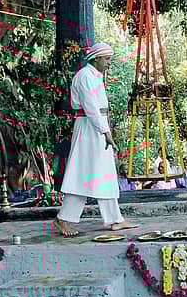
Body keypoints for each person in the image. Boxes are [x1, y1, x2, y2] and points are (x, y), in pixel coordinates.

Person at [55, 42, 137, 237]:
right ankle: (64, 218)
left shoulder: (95, 77)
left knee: (103, 172)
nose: (109, 63)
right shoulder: (84, 77)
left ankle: (115, 219)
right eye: (107, 59)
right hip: (89, 128)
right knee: (83, 174)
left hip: (97, 127)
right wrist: (106, 133)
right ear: (96, 58)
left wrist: (106, 130)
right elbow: (91, 108)